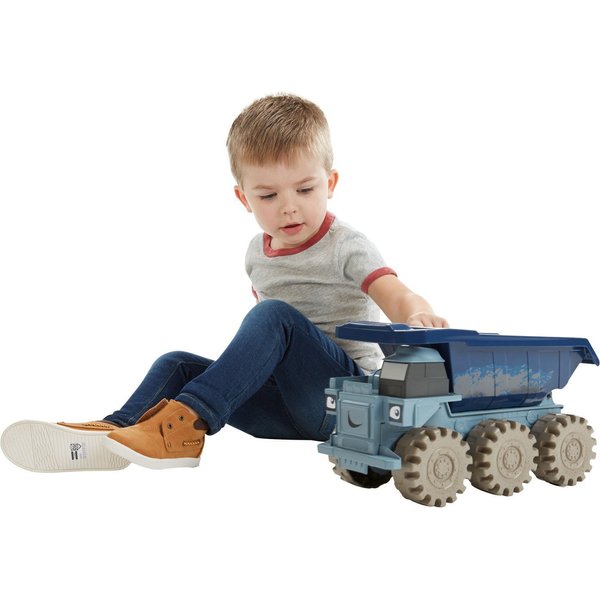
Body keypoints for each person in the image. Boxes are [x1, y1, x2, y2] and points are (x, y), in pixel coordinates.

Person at [0, 93, 448, 473]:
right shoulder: (257, 254)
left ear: (330, 183)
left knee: (274, 316)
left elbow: (393, 292)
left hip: (344, 402)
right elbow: (264, 350)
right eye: (268, 195)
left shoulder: (346, 245)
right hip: (281, 412)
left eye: (305, 189)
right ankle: (117, 431)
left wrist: (417, 314)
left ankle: (187, 423)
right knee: (177, 364)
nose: (289, 207)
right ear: (243, 197)